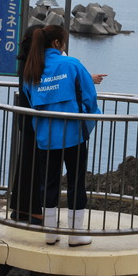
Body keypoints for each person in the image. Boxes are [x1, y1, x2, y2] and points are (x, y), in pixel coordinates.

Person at [23, 25, 101, 247]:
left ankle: (50, 233)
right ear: (57, 43)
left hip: (45, 136)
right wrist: (88, 116)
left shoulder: (32, 68)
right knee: (76, 181)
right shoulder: (72, 64)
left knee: (48, 182)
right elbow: (89, 96)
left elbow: (30, 98)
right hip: (73, 134)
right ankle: (75, 234)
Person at [10, 26, 44, 224]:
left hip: (27, 118)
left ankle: (20, 209)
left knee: (26, 163)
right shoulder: (34, 64)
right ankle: (32, 210)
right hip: (36, 120)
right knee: (35, 166)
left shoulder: (24, 61)